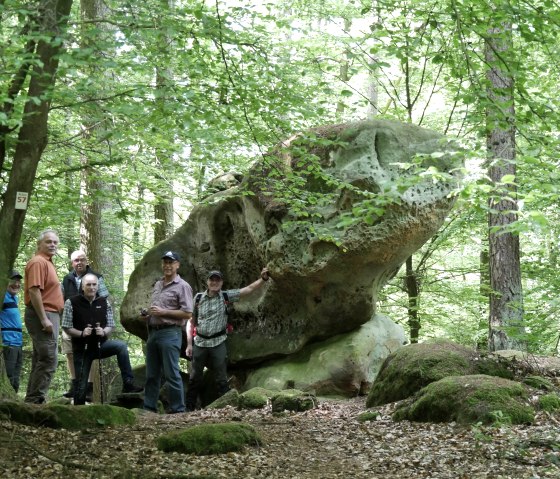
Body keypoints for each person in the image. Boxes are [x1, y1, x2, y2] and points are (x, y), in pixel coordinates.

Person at [185, 267, 270, 412]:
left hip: (218, 341)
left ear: (222, 283)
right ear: (207, 281)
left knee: (221, 377)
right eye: (212, 279)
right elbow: (190, 321)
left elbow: (247, 290)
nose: (214, 282)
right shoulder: (198, 298)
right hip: (200, 341)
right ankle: (188, 408)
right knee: (194, 378)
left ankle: (225, 408)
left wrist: (263, 279)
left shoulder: (225, 296)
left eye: (217, 280)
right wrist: (189, 344)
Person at [61, 273, 143, 405]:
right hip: (81, 350)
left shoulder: (104, 302)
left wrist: (103, 331)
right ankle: (79, 408)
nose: (92, 287)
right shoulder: (71, 302)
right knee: (81, 391)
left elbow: (111, 325)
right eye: (88, 284)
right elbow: (66, 327)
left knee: (121, 346)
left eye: (94, 285)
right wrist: (81, 333)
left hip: (100, 346)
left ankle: (128, 383)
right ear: (82, 287)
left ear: (98, 286)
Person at [143, 251, 193, 414]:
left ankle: (178, 409)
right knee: (151, 374)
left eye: (171, 262)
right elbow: (156, 310)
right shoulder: (158, 284)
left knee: (172, 373)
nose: (167, 265)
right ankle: (149, 408)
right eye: (165, 262)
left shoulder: (183, 286)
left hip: (170, 333)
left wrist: (163, 312)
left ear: (177, 265)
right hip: (153, 332)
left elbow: (187, 313)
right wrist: (148, 314)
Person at [60, 250, 109, 399]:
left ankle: (88, 387)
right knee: (69, 352)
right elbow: (61, 298)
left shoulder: (96, 277)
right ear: (72, 263)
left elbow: (105, 298)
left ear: (87, 261)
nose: (79, 262)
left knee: (91, 352)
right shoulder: (67, 279)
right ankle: (76, 385)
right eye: (76, 260)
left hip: (92, 321)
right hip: (71, 322)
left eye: (82, 260)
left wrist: (104, 321)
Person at [24, 229, 65, 404]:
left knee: (41, 357)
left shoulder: (48, 263)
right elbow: (34, 291)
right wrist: (43, 319)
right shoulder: (38, 262)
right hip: (43, 314)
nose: (53, 245)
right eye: (48, 242)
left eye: (55, 242)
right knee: (49, 357)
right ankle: (36, 400)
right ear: (39, 244)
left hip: (51, 314)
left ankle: (32, 399)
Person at [1, 271, 24, 393]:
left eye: (18, 281)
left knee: (16, 377)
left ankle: (14, 400)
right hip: (8, 342)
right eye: (13, 280)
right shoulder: (2, 296)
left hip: (18, 343)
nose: (16, 284)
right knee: (9, 376)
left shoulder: (14, 298)